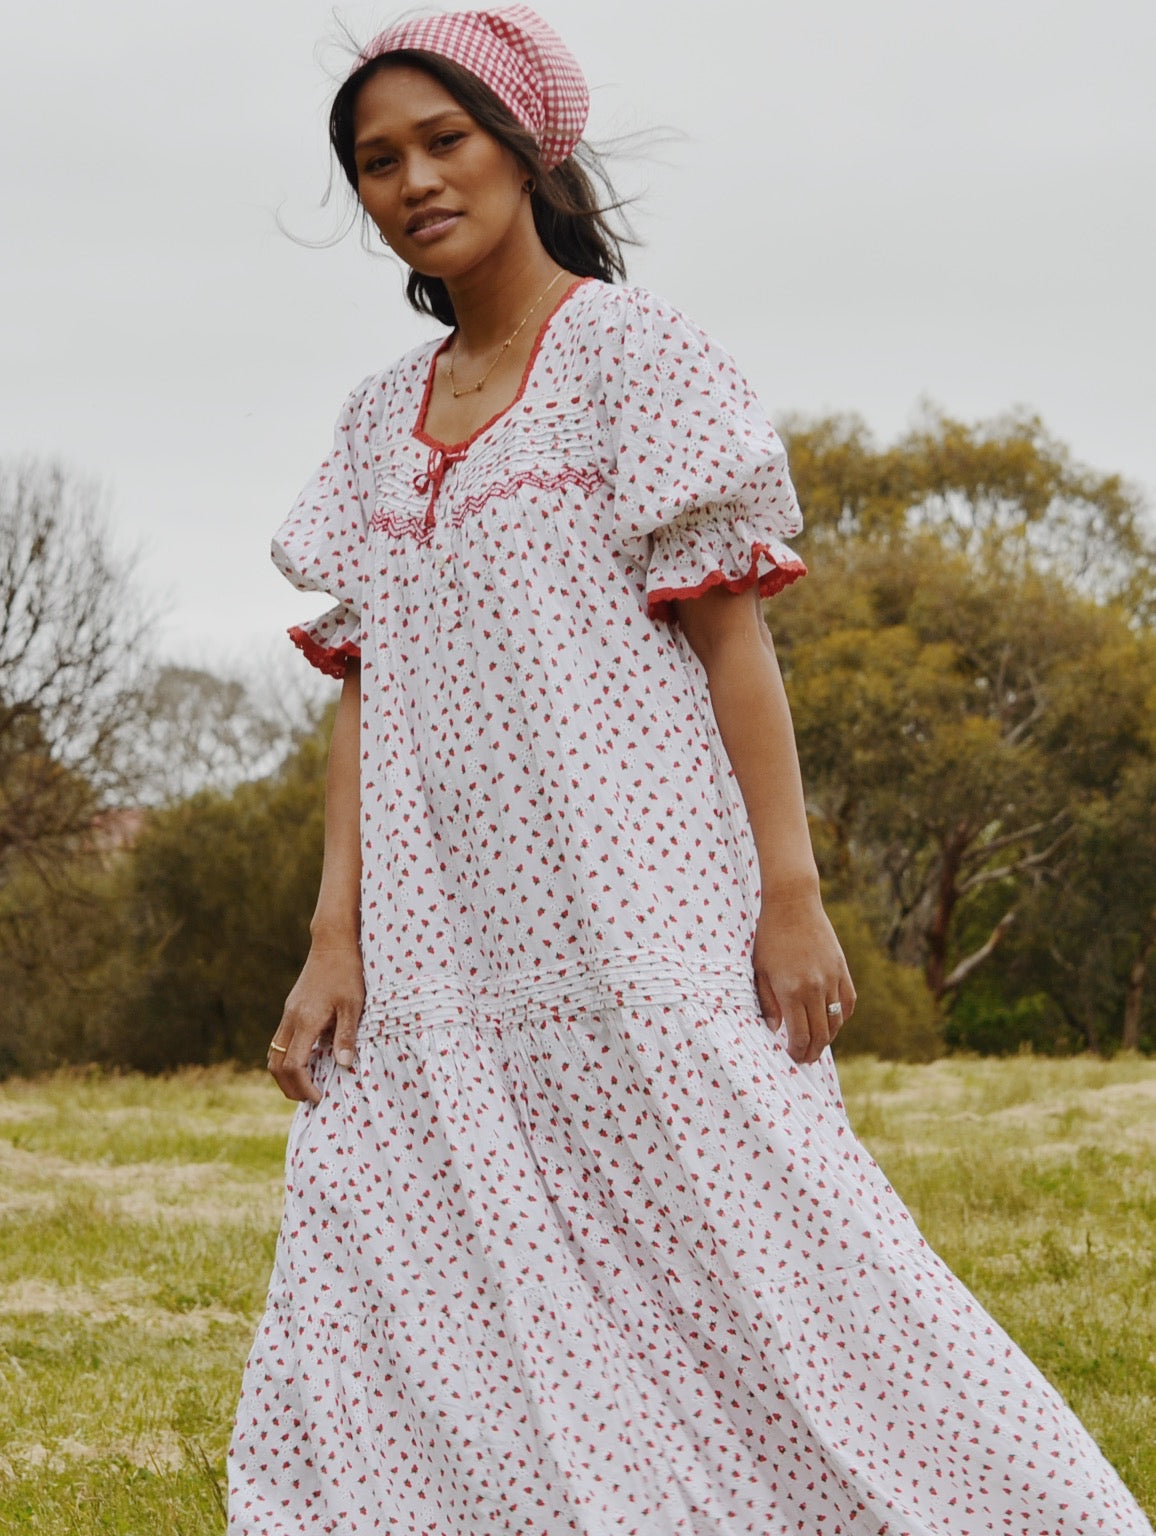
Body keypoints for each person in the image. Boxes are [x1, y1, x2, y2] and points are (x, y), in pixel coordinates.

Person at [228, 8, 1154, 1533]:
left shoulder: (634, 355)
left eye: (443, 142)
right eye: (378, 162)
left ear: (528, 148)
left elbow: (736, 645)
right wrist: (338, 938)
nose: (413, 181)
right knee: (400, 1242)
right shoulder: (372, 425)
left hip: (640, 905)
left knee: (767, 1240)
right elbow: (362, 695)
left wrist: (790, 894)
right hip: (443, 939)